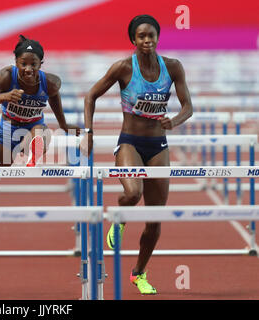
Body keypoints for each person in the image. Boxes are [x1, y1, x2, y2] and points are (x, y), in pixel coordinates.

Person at [80, 15, 193, 295]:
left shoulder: (173, 67)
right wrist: (89, 132)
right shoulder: (122, 68)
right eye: (141, 36)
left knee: (155, 218)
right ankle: (118, 220)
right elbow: (90, 96)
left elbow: (188, 106)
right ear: (133, 40)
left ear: (157, 37)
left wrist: (175, 121)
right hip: (129, 142)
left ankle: (138, 273)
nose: (147, 40)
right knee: (132, 193)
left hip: (158, 146)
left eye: (151, 35)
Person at [0, 35, 80, 202]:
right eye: (23, 64)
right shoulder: (5, 76)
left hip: (34, 128)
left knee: (40, 134)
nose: (28, 69)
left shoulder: (51, 82)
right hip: (6, 132)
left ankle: (32, 154)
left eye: (33, 64)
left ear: (41, 64)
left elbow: (54, 97)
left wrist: (63, 124)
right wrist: (5, 96)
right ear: (16, 62)